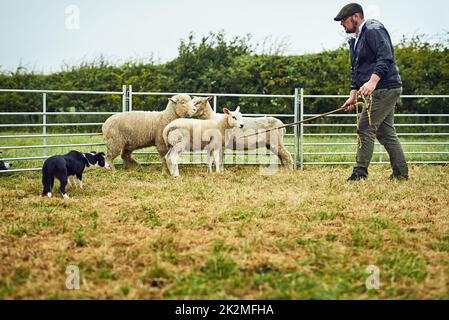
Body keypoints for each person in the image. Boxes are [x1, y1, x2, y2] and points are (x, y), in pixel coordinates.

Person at [334, 3, 409, 181]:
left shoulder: (374, 29)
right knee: (385, 132)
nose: (342, 24)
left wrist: (373, 81)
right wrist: (352, 95)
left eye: (344, 20)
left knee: (365, 127)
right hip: (381, 89)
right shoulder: (354, 39)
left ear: (356, 17)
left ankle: (359, 173)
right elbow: (355, 69)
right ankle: (400, 174)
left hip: (385, 87)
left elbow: (386, 56)